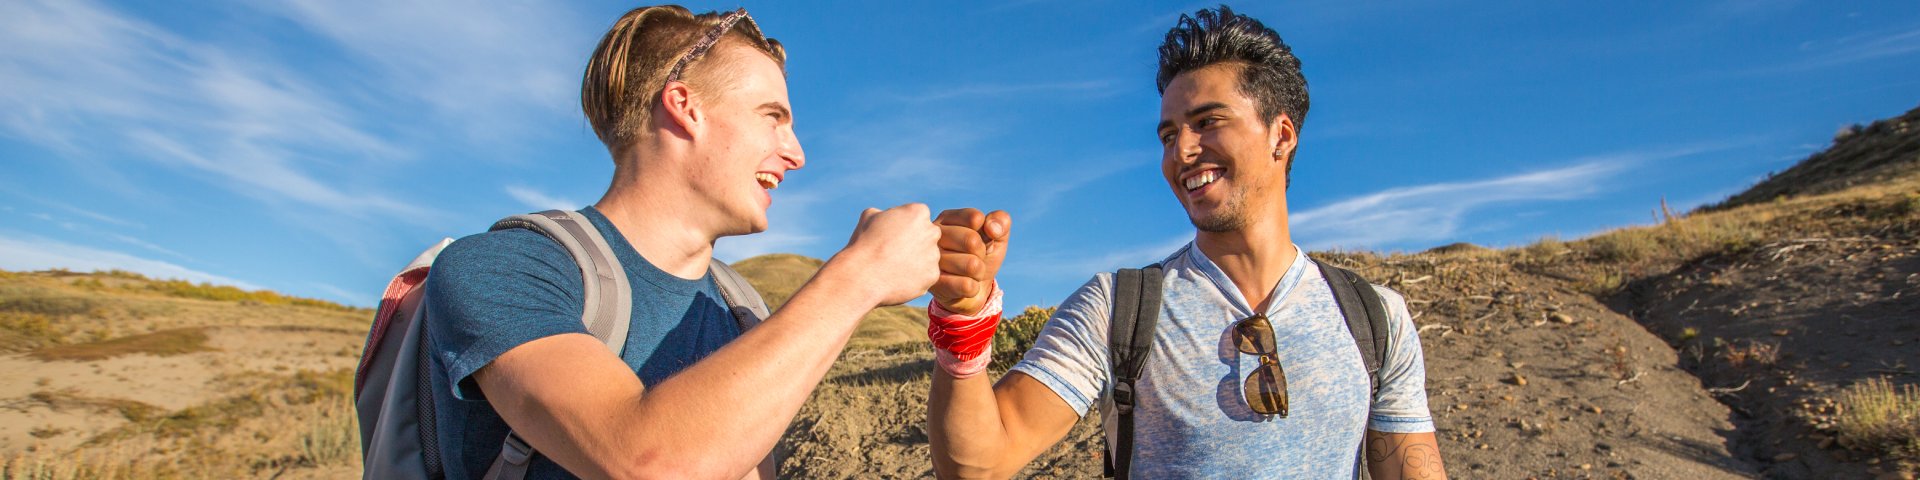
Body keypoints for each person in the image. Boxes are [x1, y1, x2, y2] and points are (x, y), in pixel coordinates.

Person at [924, 5, 1446, 479]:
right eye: (1169, 135)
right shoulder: (1118, 310)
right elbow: (979, 465)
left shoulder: (1375, 318)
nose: (1183, 151)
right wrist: (963, 324)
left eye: (1207, 122)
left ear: (1281, 136)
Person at [422, 6, 941, 479]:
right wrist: (861, 275)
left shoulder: (743, 313)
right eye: (772, 117)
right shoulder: (501, 267)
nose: (796, 153)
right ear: (684, 106)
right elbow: (651, 463)